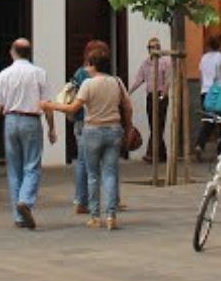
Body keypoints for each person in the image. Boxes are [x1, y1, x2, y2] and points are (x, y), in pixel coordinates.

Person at [43, 45, 132, 230]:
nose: (87, 68)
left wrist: (50, 105)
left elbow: (73, 108)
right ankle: (111, 215)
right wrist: (128, 127)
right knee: (110, 173)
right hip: (114, 130)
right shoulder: (117, 82)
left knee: (93, 175)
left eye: (89, 65)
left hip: (92, 131)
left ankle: (94, 216)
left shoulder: (88, 84)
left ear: (94, 65)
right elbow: (128, 106)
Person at [0, 39, 53, 229]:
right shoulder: (39, 73)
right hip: (31, 120)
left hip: (11, 121)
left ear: (12, 52)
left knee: (14, 168)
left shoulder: (4, 75)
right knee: (32, 165)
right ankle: (25, 201)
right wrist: (52, 127)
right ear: (29, 52)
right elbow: (46, 104)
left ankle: (18, 215)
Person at [66, 39, 107, 215]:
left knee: (83, 161)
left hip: (81, 121)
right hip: (94, 121)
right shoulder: (102, 75)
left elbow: (71, 94)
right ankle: (89, 200)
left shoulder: (79, 73)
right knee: (97, 163)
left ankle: (81, 200)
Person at [129, 37, 175, 166]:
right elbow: (139, 79)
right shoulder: (145, 63)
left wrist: (163, 95)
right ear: (148, 49)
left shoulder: (165, 62)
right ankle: (162, 155)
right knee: (153, 125)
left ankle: (150, 154)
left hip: (160, 95)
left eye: (157, 47)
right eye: (151, 47)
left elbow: (168, 80)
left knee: (158, 124)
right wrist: (128, 93)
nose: (154, 50)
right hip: (150, 96)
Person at [194, 33, 221, 160]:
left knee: (209, 121)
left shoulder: (204, 58)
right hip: (219, 93)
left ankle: (199, 144)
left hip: (205, 92)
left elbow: (201, 76)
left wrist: (204, 90)